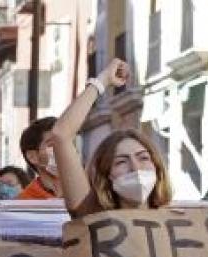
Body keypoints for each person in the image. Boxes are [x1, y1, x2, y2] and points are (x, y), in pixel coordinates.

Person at [51, 59, 172, 218]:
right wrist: (103, 80)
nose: (135, 168)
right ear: (107, 175)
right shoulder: (92, 215)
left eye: (143, 158)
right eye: (121, 161)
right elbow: (61, 135)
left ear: (157, 167)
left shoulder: (179, 220)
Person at [17, 117, 62, 200]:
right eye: (52, 145)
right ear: (32, 157)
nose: (64, 150)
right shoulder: (24, 201)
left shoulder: (87, 191)